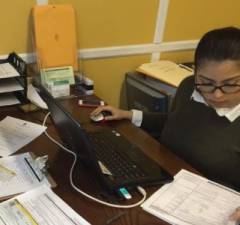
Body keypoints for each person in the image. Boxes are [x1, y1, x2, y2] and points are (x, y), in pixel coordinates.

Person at [91, 26, 240, 222]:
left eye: (230, 84)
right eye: (205, 82)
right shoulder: (189, 86)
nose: (217, 94)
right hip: (166, 187)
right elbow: (176, 122)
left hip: (212, 210)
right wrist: (129, 115)